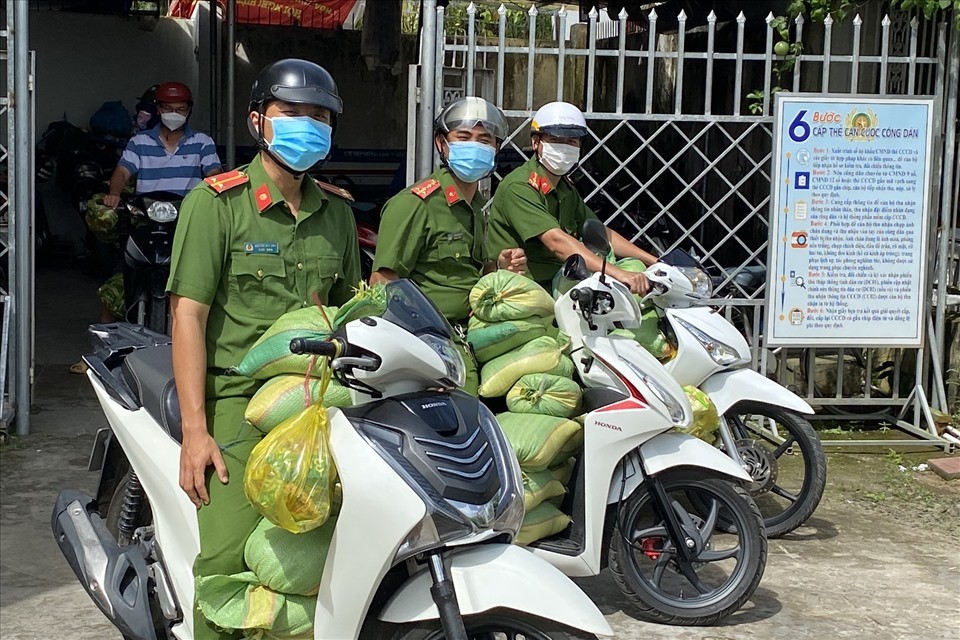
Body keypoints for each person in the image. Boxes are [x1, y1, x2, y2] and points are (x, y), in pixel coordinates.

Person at [166, 59, 360, 640]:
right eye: (293, 113)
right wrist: (196, 433)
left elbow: (354, 313)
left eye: (320, 116)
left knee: (330, 560)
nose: (309, 125)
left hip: (320, 402)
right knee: (226, 565)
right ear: (258, 121)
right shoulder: (215, 204)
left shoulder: (339, 213)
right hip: (238, 402)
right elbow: (187, 318)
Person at [369, 97, 526, 395]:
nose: (475, 146)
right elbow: (383, 285)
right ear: (442, 144)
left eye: (485, 139)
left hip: (472, 332)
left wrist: (499, 269)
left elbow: (471, 271)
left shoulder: (476, 208)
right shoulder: (415, 205)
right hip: (430, 341)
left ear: (496, 149)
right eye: (463, 137)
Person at [487, 101, 658, 294]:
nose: (564, 147)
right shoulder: (520, 187)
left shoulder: (563, 186)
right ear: (536, 142)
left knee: (635, 270)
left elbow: (602, 232)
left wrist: (654, 261)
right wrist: (616, 273)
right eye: (556, 140)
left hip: (559, 280)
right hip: (523, 287)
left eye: (572, 141)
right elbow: (556, 241)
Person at [103, 81, 221, 208]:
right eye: (168, 109)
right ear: (158, 109)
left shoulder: (202, 142)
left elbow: (214, 173)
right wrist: (114, 193)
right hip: (147, 211)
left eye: (180, 109)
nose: (174, 113)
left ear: (189, 110)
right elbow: (122, 171)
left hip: (188, 212)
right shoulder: (139, 141)